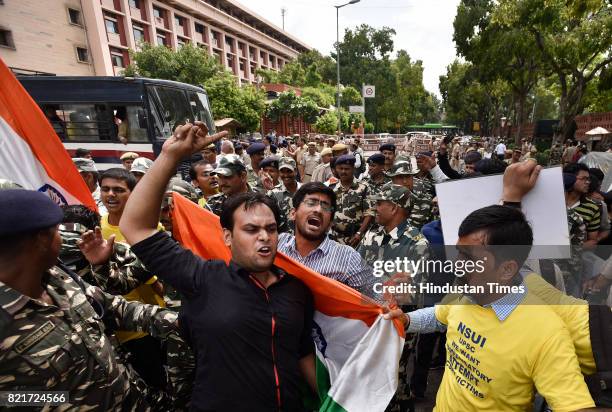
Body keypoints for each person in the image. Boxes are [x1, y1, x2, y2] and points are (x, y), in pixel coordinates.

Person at [119, 122, 316, 411]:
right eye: (251, 229)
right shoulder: (202, 278)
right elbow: (135, 226)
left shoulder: (296, 289)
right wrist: (170, 157)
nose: (264, 237)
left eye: (270, 229)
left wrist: (331, 401)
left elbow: (301, 354)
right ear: (227, 236)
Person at [0, 189, 179, 410]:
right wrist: (68, 400)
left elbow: (115, 308)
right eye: (57, 231)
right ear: (41, 240)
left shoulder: (58, 278)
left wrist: (187, 322)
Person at [358, 183, 431, 412]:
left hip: (398, 323)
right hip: (369, 321)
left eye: (380, 203)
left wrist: (380, 290)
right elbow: (356, 273)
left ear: (395, 207)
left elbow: (414, 292)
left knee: (393, 377)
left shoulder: (417, 244)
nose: (375, 208)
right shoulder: (371, 236)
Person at [98, 168, 167, 388]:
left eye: (118, 190)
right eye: (105, 189)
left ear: (133, 193)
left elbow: (160, 281)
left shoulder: (151, 228)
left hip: (148, 320)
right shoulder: (95, 228)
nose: (110, 194)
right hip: (113, 329)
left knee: (157, 380)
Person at [277, 182, 377, 297]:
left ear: (330, 223)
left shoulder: (347, 257)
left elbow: (379, 298)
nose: (318, 210)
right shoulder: (278, 244)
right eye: (311, 203)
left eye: (325, 206)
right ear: (293, 214)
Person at [329, 154, 375, 248]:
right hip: (335, 238)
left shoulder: (364, 187)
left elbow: (369, 212)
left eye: (347, 169)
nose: (343, 171)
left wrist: (359, 233)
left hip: (355, 238)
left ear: (353, 169)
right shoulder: (332, 188)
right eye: (340, 168)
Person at [385, 161, 434, 230]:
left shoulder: (424, 200)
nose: (405, 181)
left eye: (408, 177)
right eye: (400, 177)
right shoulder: (384, 200)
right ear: (392, 180)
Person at [564, 163, 601, 247]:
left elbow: (592, 241)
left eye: (588, 179)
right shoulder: (554, 201)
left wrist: (573, 249)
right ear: (569, 178)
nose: (588, 182)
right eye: (584, 179)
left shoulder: (592, 208)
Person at [267, 157, 300, 234]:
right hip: (283, 241)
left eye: (289, 171)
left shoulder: (305, 190)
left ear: (295, 171)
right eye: (282, 172)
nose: (286, 175)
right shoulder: (272, 194)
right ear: (279, 173)